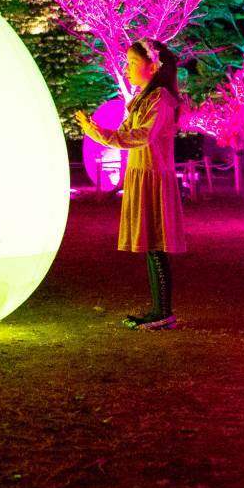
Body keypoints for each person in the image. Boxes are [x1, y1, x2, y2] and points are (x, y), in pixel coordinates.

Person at [74, 39, 186, 329]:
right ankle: (159, 310)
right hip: (141, 173)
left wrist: (97, 133)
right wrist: (95, 130)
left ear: (153, 66)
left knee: (156, 245)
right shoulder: (142, 98)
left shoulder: (160, 98)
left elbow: (142, 136)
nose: (127, 69)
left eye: (132, 63)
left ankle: (163, 312)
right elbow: (126, 132)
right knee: (150, 245)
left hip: (153, 175)